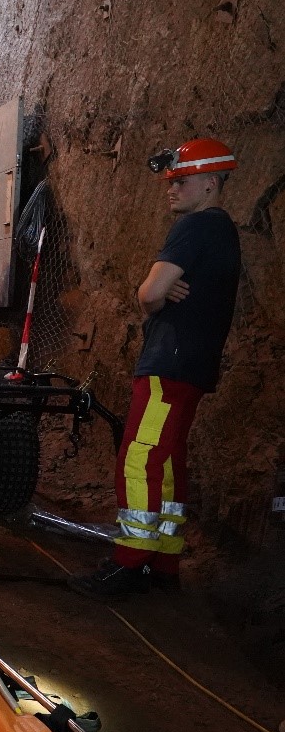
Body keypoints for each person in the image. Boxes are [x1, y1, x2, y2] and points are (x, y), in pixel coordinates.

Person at [72, 138, 241, 599]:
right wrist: (161, 294)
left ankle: (129, 561)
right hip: (193, 364)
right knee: (167, 461)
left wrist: (155, 296)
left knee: (140, 456)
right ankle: (165, 563)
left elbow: (149, 294)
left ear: (209, 184)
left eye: (180, 181)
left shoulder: (195, 228)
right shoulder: (224, 231)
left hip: (169, 361)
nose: (171, 190)